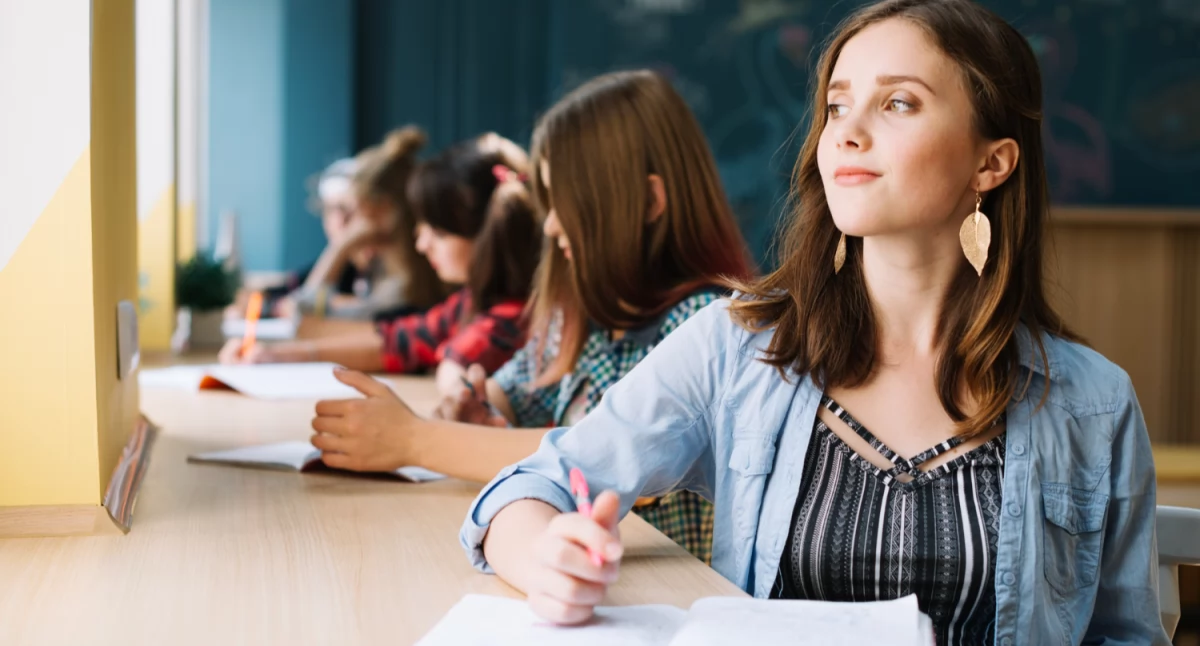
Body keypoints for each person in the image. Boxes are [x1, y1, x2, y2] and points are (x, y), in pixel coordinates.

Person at [460, 2, 1168, 644]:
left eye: (897, 103)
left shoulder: (1093, 402)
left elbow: (1124, 637)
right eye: (836, 106)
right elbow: (529, 488)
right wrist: (546, 559)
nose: (847, 134)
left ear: (992, 162)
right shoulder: (734, 350)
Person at [310, 70, 754, 565]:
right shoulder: (587, 320)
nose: (550, 224)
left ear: (649, 202)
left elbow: (591, 457)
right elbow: (507, 390)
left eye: (568, 204)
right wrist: (475, 411)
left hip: (669, 601)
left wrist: (415, 439)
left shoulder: (705, 330)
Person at [219, 133, 541, 387]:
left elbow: (454, 367)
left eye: (438, 233)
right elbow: (396, 341)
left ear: (490, 234)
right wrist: (276, 356)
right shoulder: (467, 303)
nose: (421, 243)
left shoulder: (515, 314)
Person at [289, 126, 446, 320]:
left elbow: (306, 314)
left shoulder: (402, 291)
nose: (347, 223)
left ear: (385, 211)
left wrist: (341, 247)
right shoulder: (383, 274)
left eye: (353, 211)